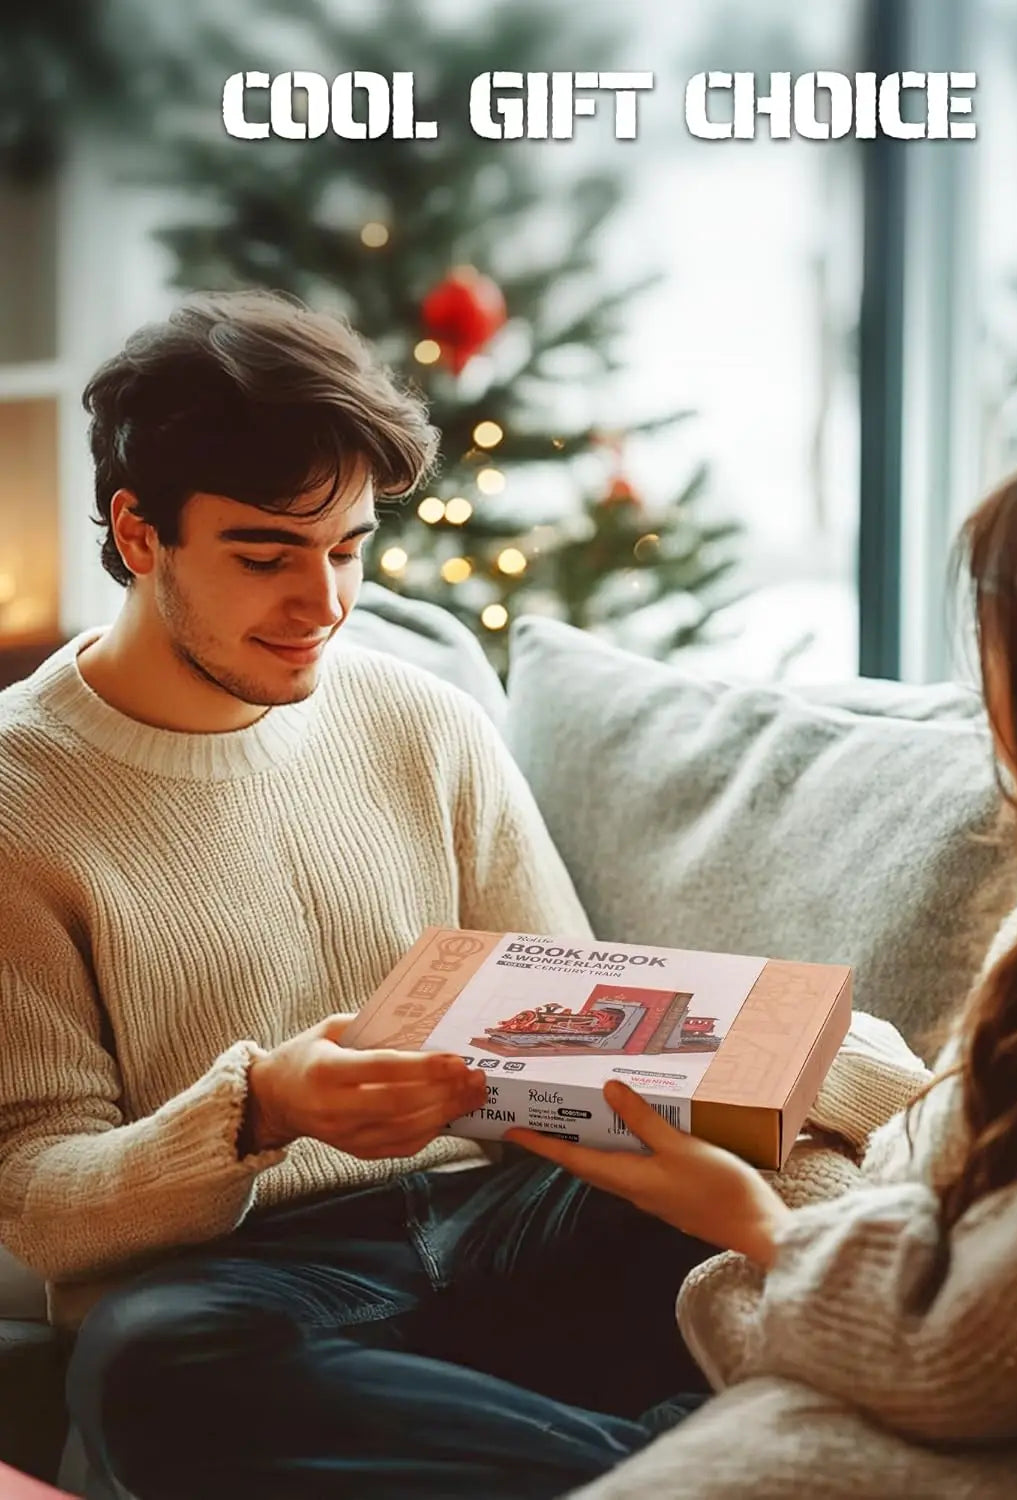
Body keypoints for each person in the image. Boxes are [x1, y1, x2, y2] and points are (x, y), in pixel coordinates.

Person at [0, 290, 718, 1500]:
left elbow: (584, 1031)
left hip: (499, 1220)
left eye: (346, 549)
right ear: (137, 533)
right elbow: (39, 1202)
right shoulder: (19, 798)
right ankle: (691, 1469)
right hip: (249, 1276)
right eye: (266, 555)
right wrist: (261, 1112)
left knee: (738, 1216)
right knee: (149, 1366)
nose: (324, 605)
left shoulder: (424, 721)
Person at [508, 426, 1017, 1498]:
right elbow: (996, 1147)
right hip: (873, 1320)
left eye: (1004, 638)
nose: (990, 689)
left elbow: (977, 1351)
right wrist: (832, 1077)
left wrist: (746, 1217)